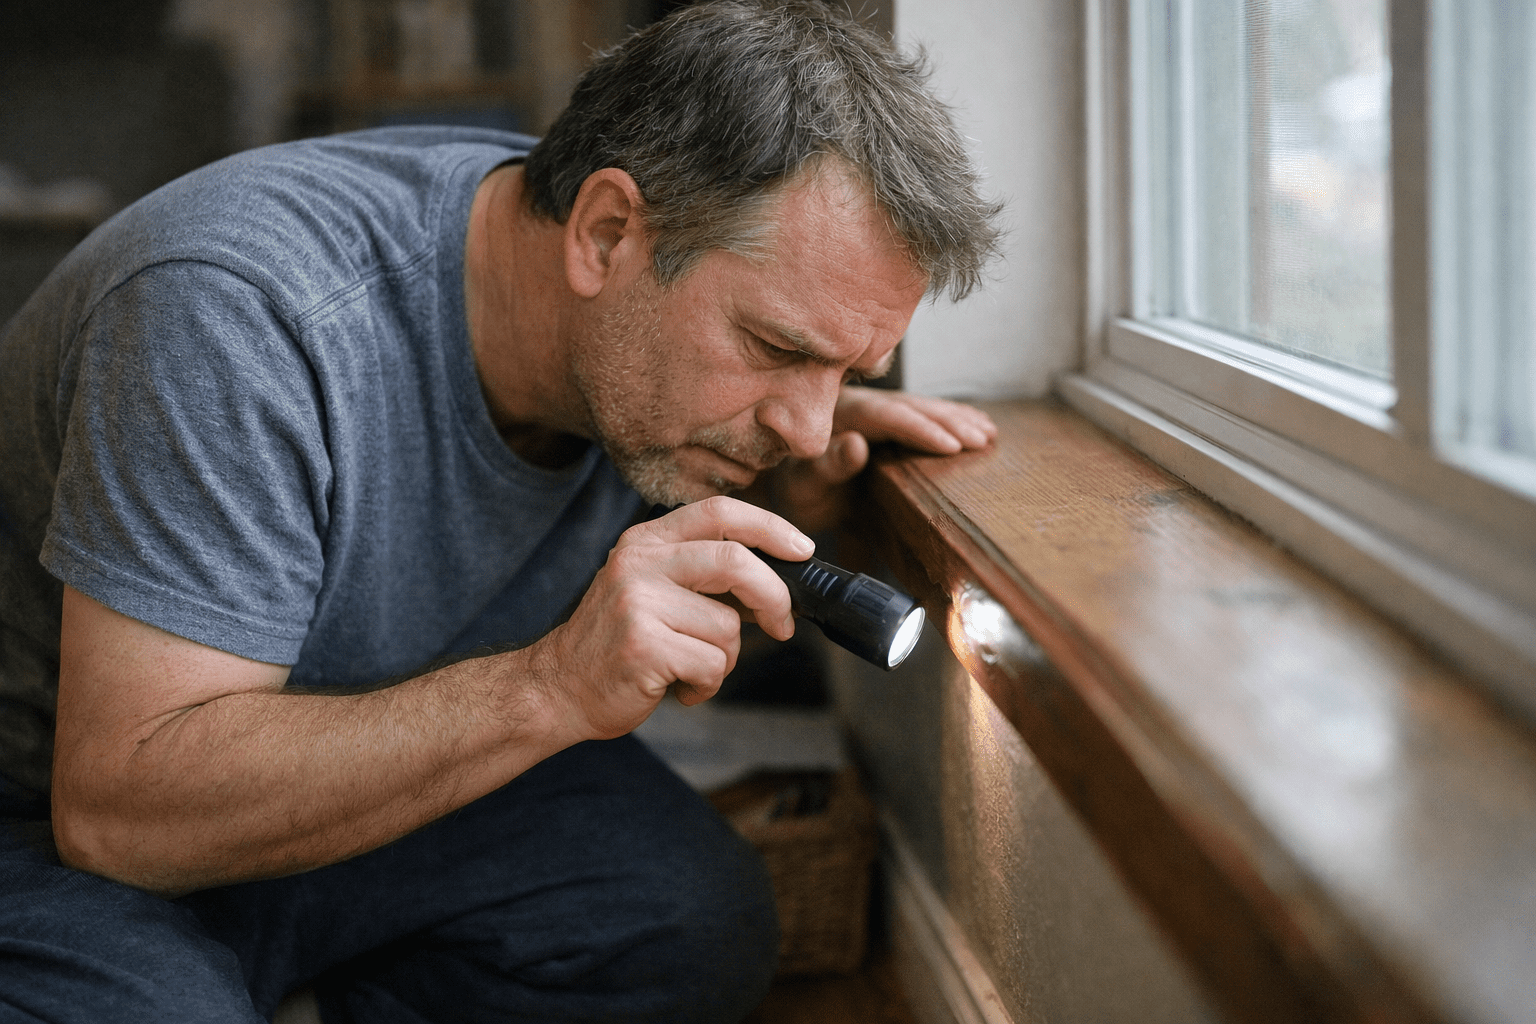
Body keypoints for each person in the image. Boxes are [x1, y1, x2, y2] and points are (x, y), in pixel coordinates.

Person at [0, 1, 1002, 1020]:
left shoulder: (621, 311)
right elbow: (119, 815)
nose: (807, 422)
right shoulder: (237, 315)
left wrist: (786, 484)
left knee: (687, 918)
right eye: (779, 348)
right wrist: (550, 686)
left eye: (846, 372)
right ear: (605, 234)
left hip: (344, 766)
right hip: (52, 821)